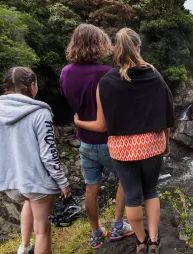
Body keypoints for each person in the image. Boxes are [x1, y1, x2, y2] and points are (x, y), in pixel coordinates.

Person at [74, 28, 175, 254]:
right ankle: (155, 241)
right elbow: (167, 113)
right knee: (151, 191)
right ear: (138, 47)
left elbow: (101, 125)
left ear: (115, 50)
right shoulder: (154, 75)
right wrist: (166, 142)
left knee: (132, 196)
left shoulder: (106, 81)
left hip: (121, 148)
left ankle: (140, 243)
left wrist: (78, 122)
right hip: (151, 144)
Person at [60, 23, 133, 248]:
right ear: (99, 45)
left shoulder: (65, 72)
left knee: (91, 188)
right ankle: (118, 225)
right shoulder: (107, 73)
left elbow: (71, 103)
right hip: (110, 141)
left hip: (85, 142)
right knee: (126, 180)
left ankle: (95, 233)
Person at [0, 67, 71, 254]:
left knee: (28, 201)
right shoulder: (41, 113)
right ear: (32, 86)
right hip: (36, 182)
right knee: (42, 231)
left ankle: (24, 246)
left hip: (10, 182)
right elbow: (49, 154)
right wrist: (63, 183)